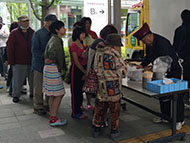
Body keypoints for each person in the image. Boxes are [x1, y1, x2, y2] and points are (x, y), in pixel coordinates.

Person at [133, 23, 185, 130]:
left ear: (149, 36)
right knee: (163, 94)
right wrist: (142, 65)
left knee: (177, 94)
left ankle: (179, 120)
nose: (144, 43)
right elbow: (149, 56)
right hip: (162, 71)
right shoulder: (150, 44)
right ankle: (164, 116)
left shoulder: (161, 43)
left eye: (143, 40)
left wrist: (151, 69)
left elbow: (164, 61)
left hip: (174, 69)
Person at [92, 33, 127, 139]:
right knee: (114, 111)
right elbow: (123, 73)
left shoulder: (99, 52)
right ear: (114, 45)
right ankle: (114, 131)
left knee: (100, 108)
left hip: (101, 86)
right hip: (113, 87)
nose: (118, 48)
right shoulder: (114, 54)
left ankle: (97, 129)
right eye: (118, 46)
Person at [43, 20, 67, 126]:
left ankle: (53, 117)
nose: (65, 29)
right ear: (57, 30)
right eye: (63, 27)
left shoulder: (54, 38)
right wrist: (52, 60)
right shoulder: (56, 40)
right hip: (53, 69)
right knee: (59, 94)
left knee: (52, 94)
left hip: (49, 69)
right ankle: (53, 118)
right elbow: (51, 55)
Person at [32, 14, 57, 115]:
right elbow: (34, 50)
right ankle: (38, 106)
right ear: (46, 22)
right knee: (38, 87)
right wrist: (46, 57)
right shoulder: (38, 34)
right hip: (39, 64)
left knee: (49, 86)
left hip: (50, 65)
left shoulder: (54, 34)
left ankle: (47, 104)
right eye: (52, 22)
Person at [7, 15, 34, 103]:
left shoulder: (33, 32)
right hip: (18, 61)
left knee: (32, 80)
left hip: (31, 60)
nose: (26, 23)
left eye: (27, 21)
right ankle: (16, 95)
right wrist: (11, 61)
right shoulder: (14, 33)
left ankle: (32, 94)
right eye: (24, 21)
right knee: (17, 80)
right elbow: (10, 48)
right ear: (19, 22)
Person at [69, 27, 88, 119]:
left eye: (84, 34)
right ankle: (75, 112)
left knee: (80, 91)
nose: (84, 36)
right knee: (75, 91)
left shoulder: (82, 45)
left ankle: (79, 109)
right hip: (76, 70)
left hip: (83, 69)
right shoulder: (73, 46)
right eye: (82, 34)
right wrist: (85, 72)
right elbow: (76, 62)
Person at [173, 9, 190, 86]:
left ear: (182, 18)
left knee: (184, 80)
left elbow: (175, 46)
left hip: (182, 60)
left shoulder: (178, 30)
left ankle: (184, 97)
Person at [3, 22, 18, 96]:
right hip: (15, 59)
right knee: (13, 73)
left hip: (14, 59)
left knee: (12, 72)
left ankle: (10, 87)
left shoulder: (11, 35)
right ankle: (12, 88)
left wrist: (6, 59)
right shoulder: (14, 35)